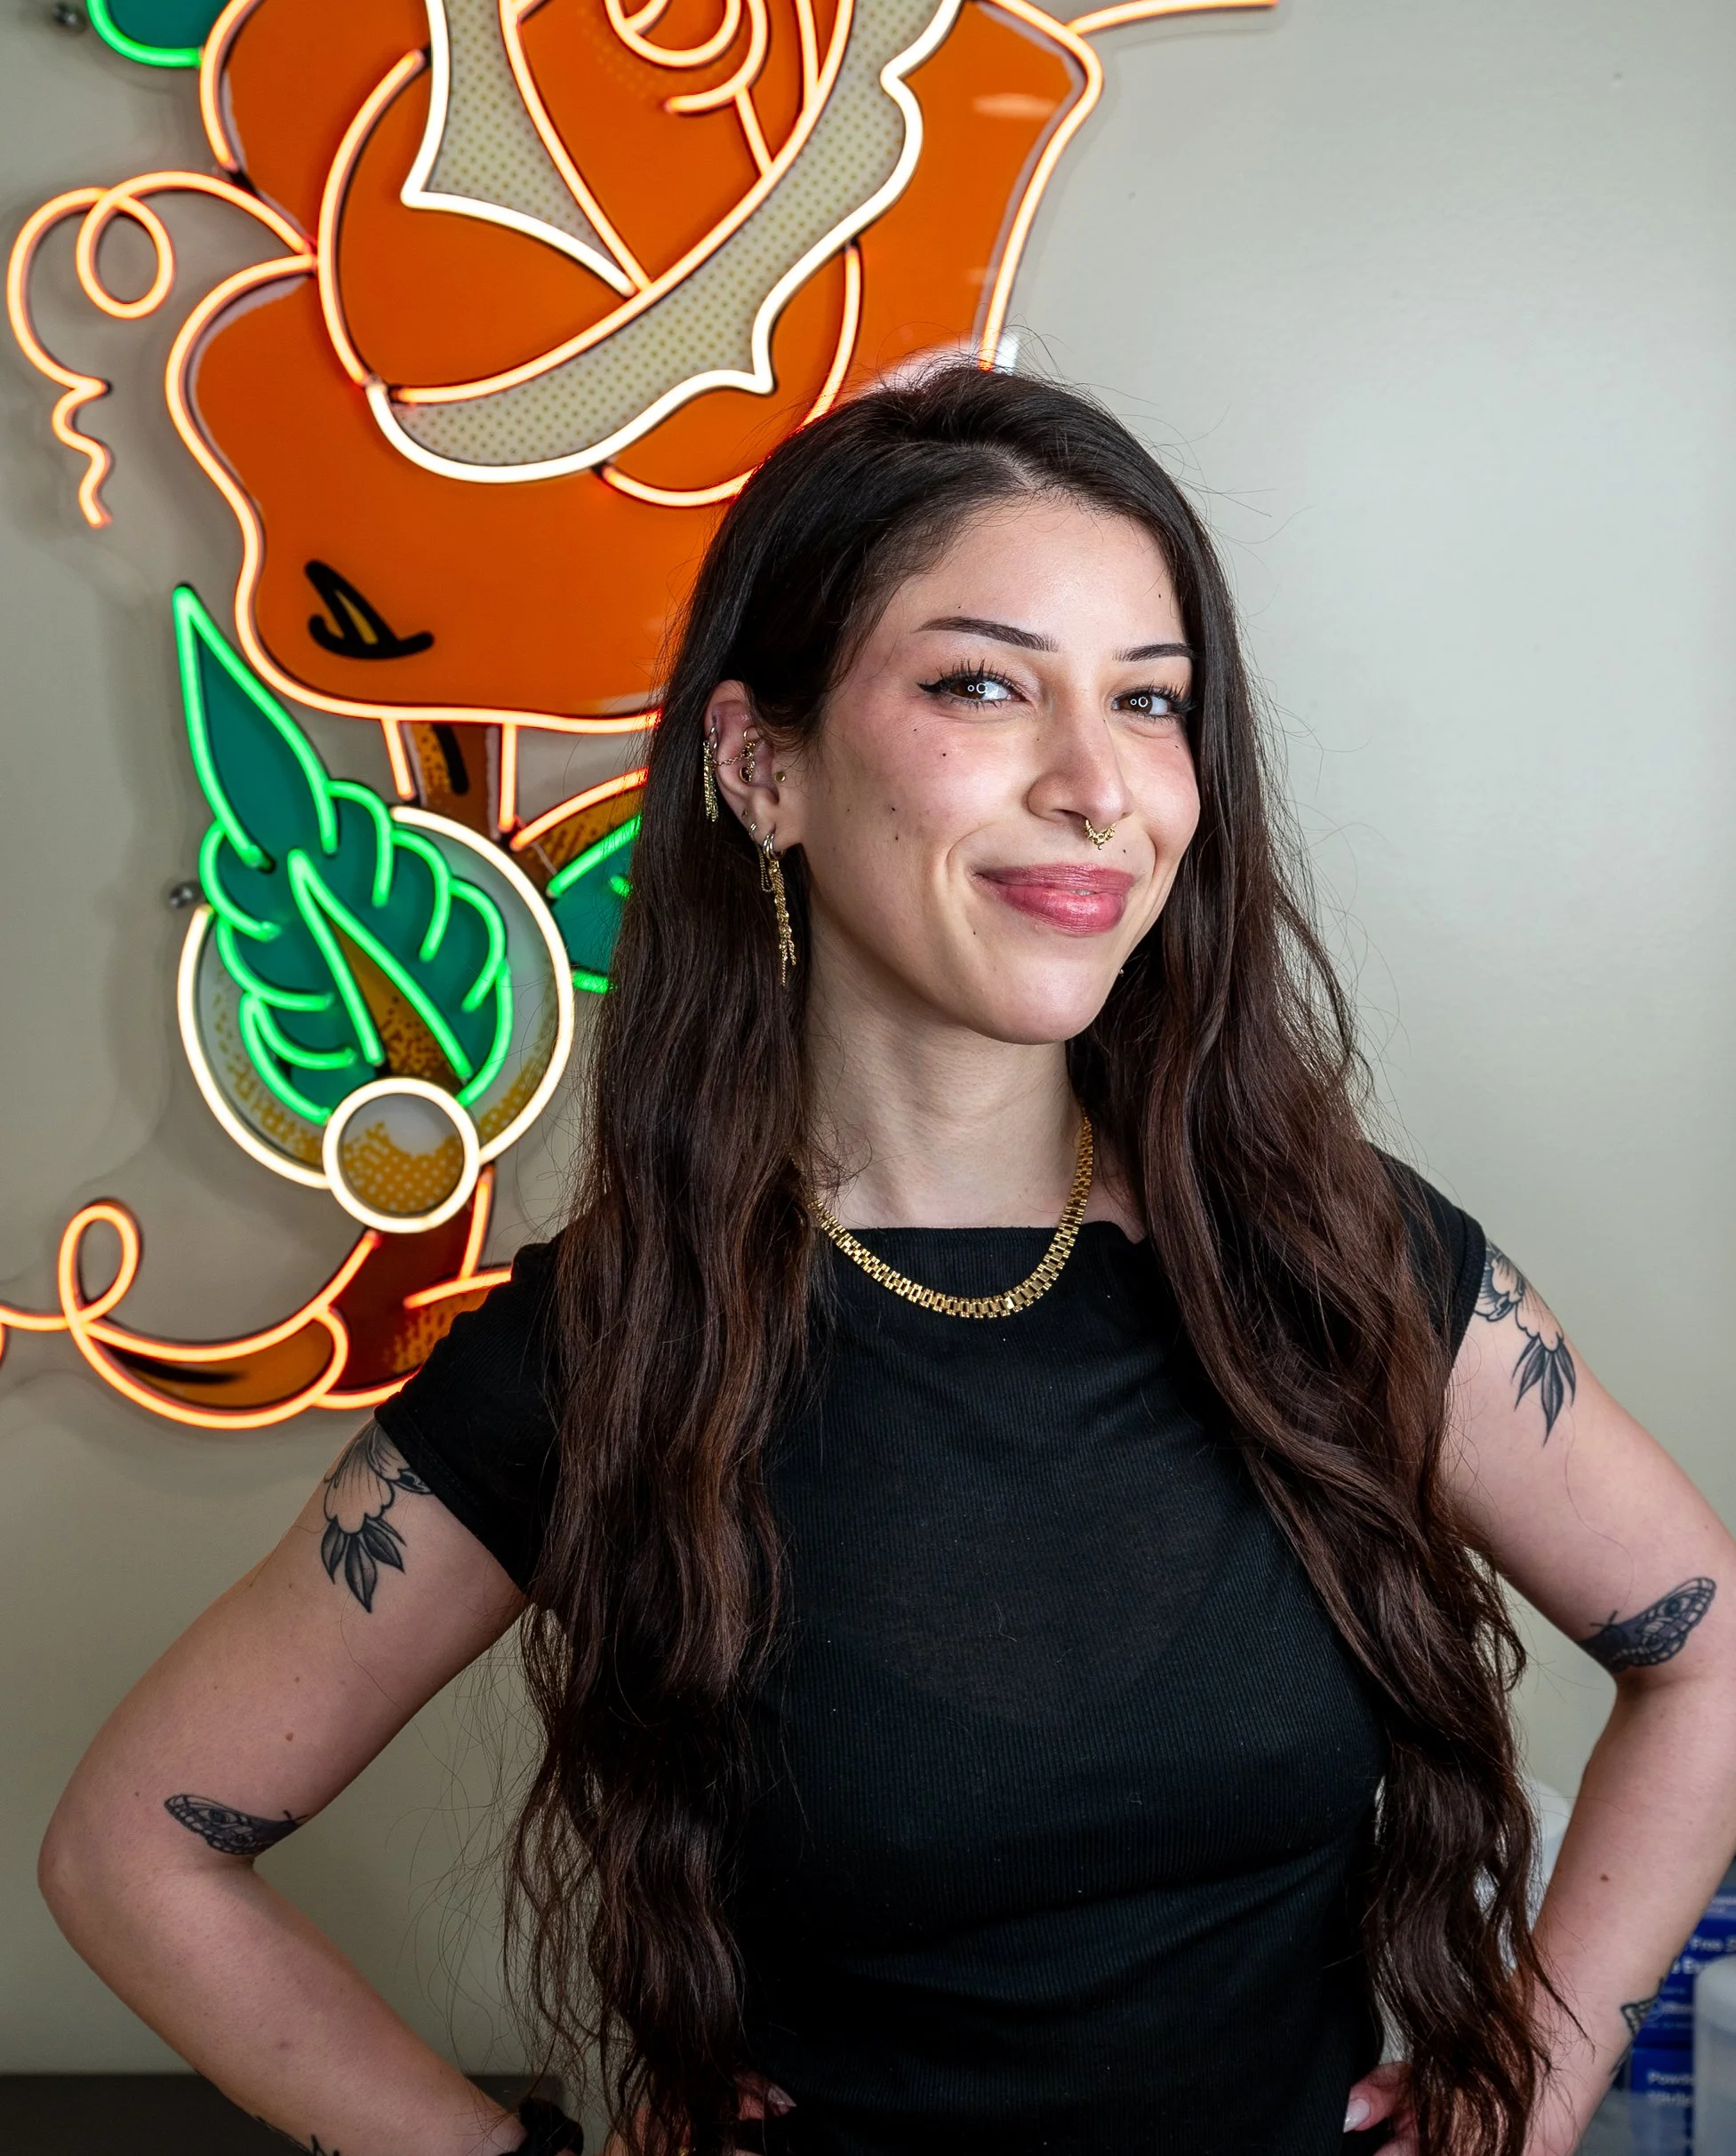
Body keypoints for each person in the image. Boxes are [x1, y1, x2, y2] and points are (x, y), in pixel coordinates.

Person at [38, 369, 1736, 2156]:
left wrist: (1530, 2095)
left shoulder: (1339, 1259)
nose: (1096, 787)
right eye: (982, 684)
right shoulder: (612, 1347)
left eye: (1149, 704)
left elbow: (1709, 1654)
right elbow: (133, 1849)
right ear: (761, 767)